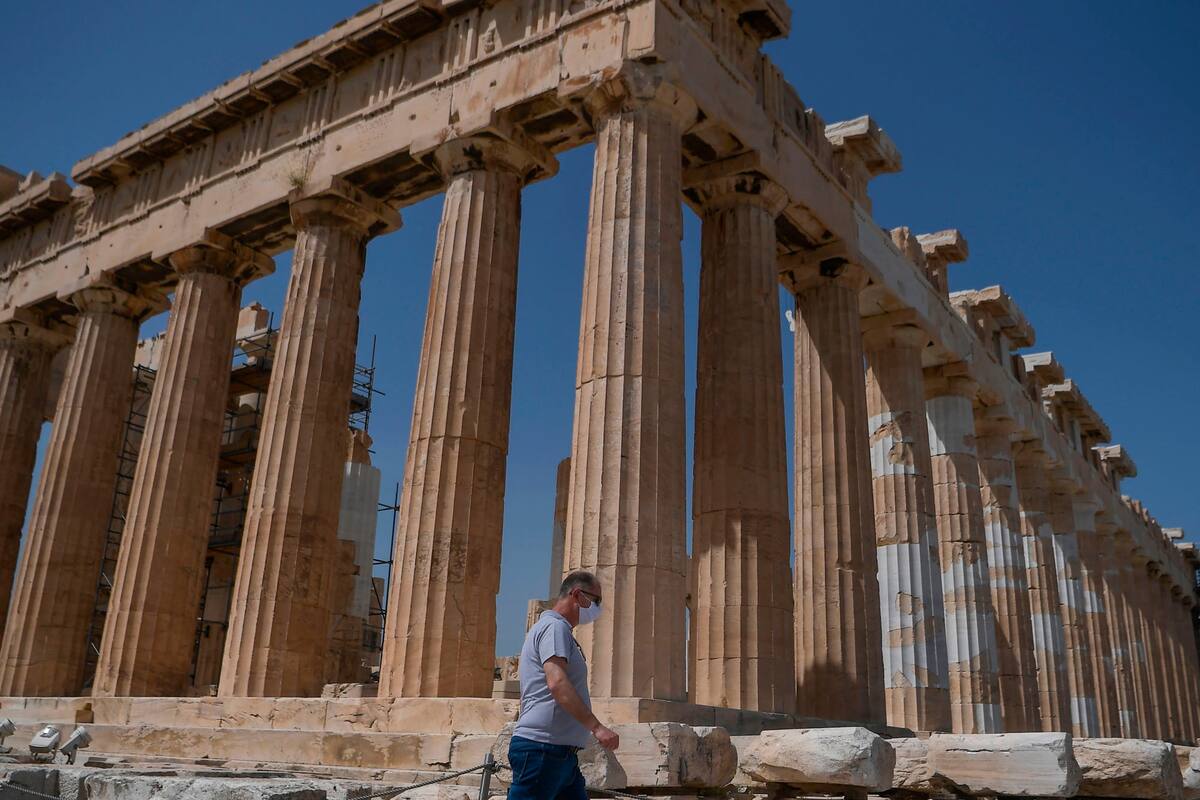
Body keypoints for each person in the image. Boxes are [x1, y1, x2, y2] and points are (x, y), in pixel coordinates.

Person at [508, 570, 619, 800]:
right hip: (542, 749)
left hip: (561, 753)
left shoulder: (560, 631)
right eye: (596, 600)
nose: (598, 607)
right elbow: (557, 682)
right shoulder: (554, 628)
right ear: (577, 594)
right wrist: (597, 728)